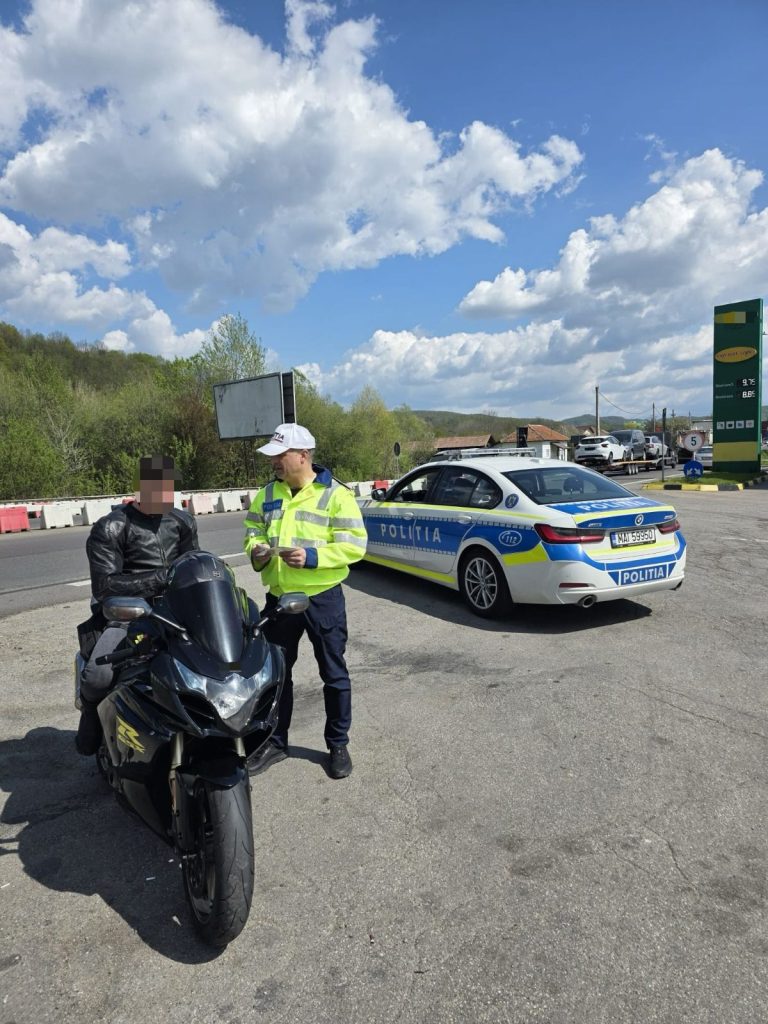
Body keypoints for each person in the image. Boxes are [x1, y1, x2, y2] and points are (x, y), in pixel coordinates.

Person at [243, 423, 367, 779]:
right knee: (275, 676)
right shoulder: (267, 494)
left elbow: (355, 545)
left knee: (333, 673)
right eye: (273, 457)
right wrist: (257, 550)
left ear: (303, 455)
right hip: (280, 599)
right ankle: (275, 742)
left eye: (280, 455)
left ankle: (338, 744)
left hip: (322, 598)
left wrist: (313, 557)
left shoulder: (336, 495)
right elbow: (252, 531)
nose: (274, 462)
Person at [75, 455, 199, 755]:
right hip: (127, 614)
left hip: (177, 613)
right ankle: (91, 721)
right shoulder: (111, 527)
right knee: (98, 676)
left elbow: (194, 565)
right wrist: (162, 579)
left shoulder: (182, 522)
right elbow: (105, 586)